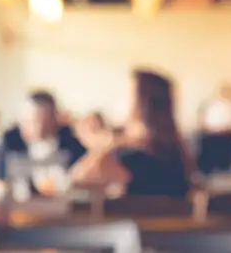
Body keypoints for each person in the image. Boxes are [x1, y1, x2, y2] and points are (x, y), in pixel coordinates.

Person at [69, 68, 193, 198]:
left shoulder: (128, 156)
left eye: (125, 94)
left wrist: (102, 145)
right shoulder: (175, 151)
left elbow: (78, 179)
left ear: (140, 104)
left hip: (134, 218)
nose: (118, 99)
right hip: (170, 218)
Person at [0, 90, 87, 195]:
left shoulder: (71, 143)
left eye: (35, 121)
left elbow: (83, 179)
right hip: (19, 208)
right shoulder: (10, 141)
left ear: (53, 118)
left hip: (61, 207)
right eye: (25, 120)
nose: (27, 126)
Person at [196, 83, 231, 174]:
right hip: (210, 134)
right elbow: (203, 121)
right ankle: (208, 169)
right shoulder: (210, 105)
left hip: (226, 135)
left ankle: (223, 167)